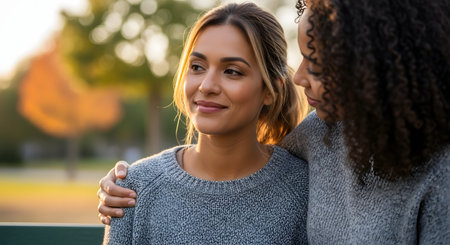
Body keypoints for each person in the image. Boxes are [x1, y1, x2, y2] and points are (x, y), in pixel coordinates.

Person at [99, 0, 450, 243]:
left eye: (316, 62)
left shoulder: (438, 168)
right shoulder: (319, 135)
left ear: (369, 65)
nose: (299, 77)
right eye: (196, 66)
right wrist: (120, 184)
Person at [102, 2, 309, 244]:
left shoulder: (304, 189)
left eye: (232, 71)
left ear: (271, 90)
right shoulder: (132, 188)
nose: (207, 86)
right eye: (197, 67)